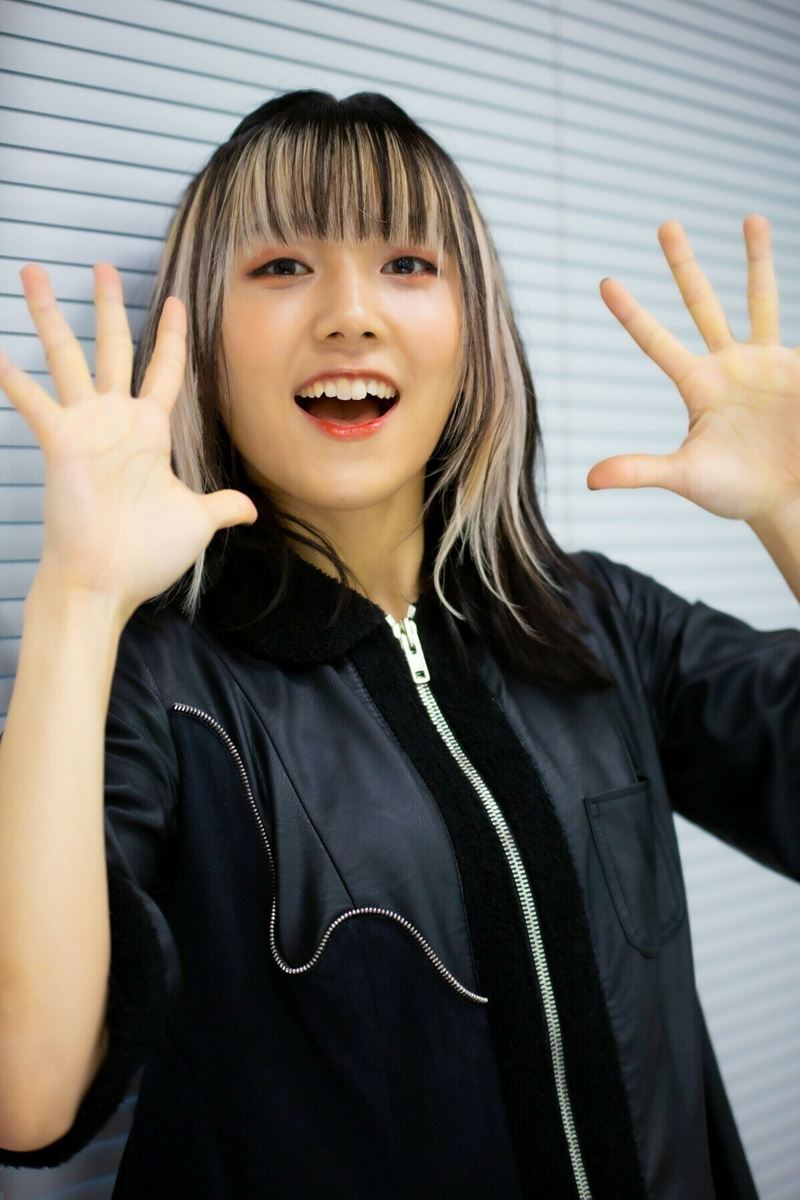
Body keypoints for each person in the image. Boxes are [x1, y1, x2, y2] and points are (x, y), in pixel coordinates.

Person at [0, 88, 797, 1200]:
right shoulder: (161, 685)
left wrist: (793, 508)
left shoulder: (599, 621)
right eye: (282, 265)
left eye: (408, 264)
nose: (350, 315)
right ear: (206, 337)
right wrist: (78, 596)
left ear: (472, 332)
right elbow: (27, 1091)